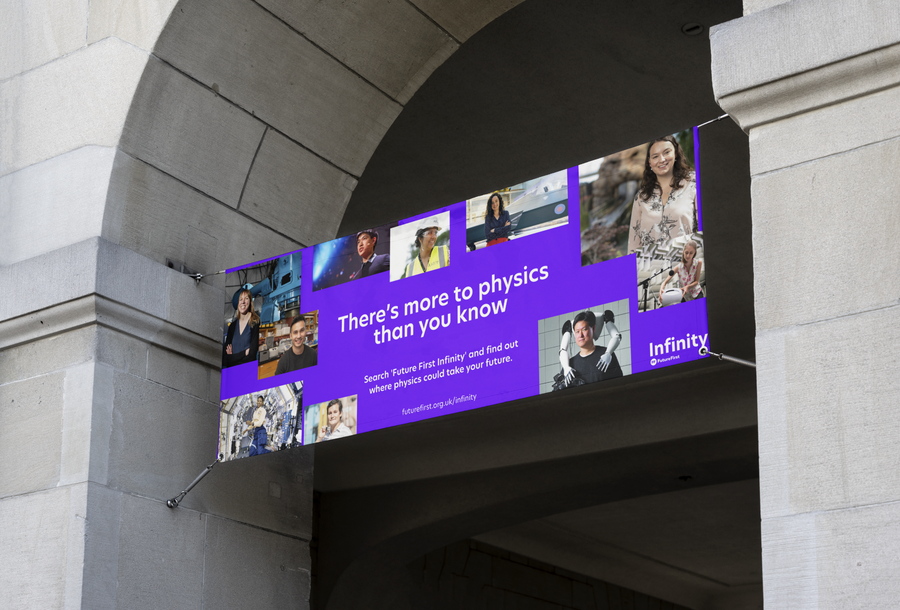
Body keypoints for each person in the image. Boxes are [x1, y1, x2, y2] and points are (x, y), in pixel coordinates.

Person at [627, 136, 697, 258]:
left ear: (675, 153)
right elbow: (633, 246)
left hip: (688, 265)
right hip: (651, 270)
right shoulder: (641, 197)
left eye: (666, 152)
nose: (662, 159)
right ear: (649, 162)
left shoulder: (694, 182)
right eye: (655, 156)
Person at [556, 310, 623, 388]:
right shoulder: (569, 364)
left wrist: (608, 353)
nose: (580, 335)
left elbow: (620, 384)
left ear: (593, 328)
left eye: (584, 329)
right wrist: (566, 368)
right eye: (577, 331)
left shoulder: (606, 355)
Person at [222, 288, 260, 368]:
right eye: (240, 299)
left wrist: (232, 357)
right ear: (238, 303)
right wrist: (244, 353)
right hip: (233, 373)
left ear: (250, 302)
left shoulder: (254, 322)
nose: (243, 302)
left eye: (246, 298)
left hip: (248, 372)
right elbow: (225, 360)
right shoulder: (232, 326)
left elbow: (251, 356)